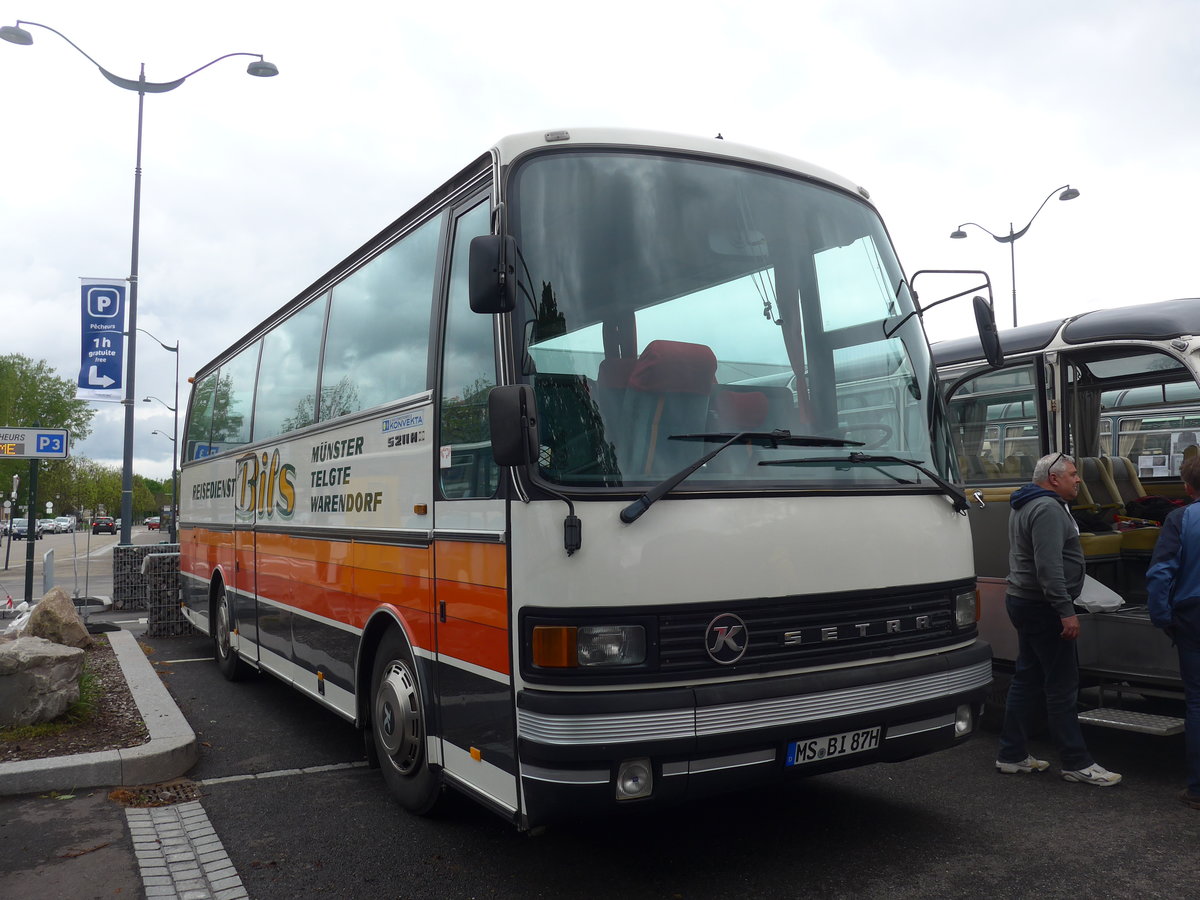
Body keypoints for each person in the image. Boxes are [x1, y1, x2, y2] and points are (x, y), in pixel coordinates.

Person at [995, 451, 1122, 786]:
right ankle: (1076, 763)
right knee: (1062, 686)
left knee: (1027, 678)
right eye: (1073, 475)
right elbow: (1048, 567)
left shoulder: (1027, 503)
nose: (1078, 480)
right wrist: (1065, 611)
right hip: (1044, 606)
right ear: (1054, 478)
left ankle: (1011, 754)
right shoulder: (1048, 509)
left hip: (1024, 601)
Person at [1145, 454, 1200, 810]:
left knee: (1197, 701)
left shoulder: (1180, 518)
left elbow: (1161, 572)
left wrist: (1162, 617)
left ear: (1187, 486)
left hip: (1193, 616)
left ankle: (1197, 790)